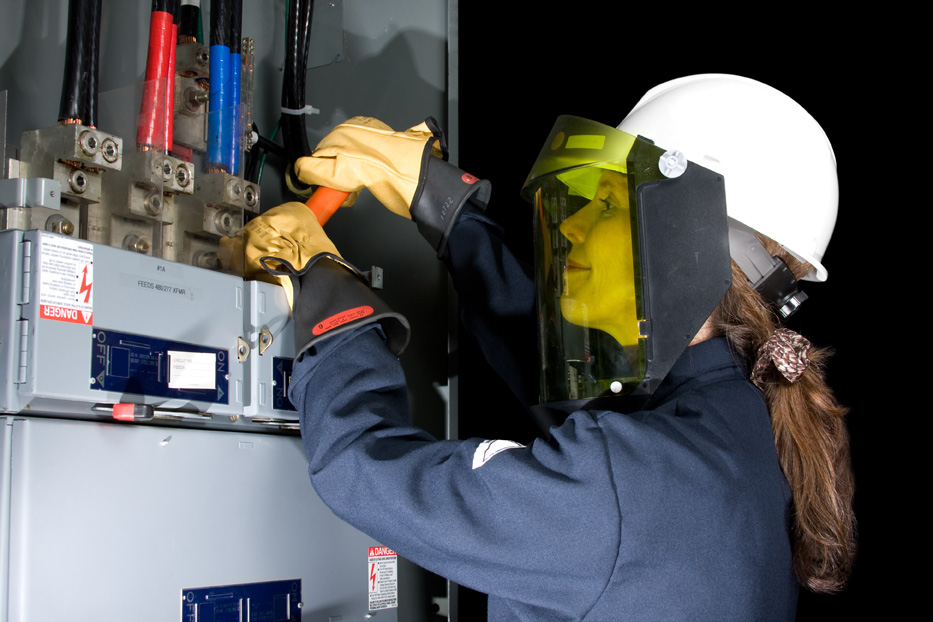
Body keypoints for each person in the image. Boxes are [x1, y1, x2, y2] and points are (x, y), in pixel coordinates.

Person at [224, 74, 855, 621]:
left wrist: (330, 295)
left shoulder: (627, 485)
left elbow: (363, 469)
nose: (581, 245)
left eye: (609, 214)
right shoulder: (745, 418)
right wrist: (441, 201)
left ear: (678, 240)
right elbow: (565, 379)